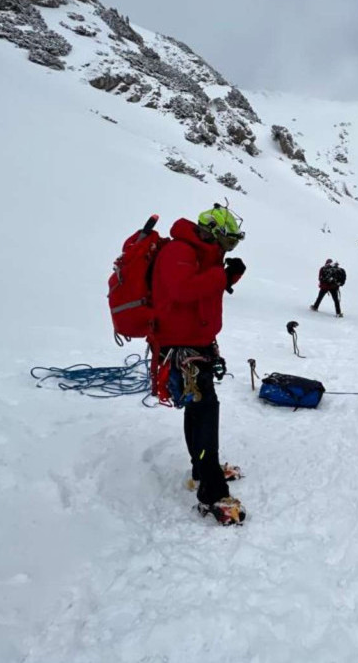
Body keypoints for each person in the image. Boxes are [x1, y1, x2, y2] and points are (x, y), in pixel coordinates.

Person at [150, 204, 248, 525]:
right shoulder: (179, 250)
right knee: (205, 412)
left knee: (199, 408)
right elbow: (182, 289)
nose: (227, 249)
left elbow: (200, 293)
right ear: (213, 234)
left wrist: (226, 276)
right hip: (181, 349)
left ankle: (200, 470)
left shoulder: (198, 255)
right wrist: (220, 274)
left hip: (197, 345)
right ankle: (212, 492)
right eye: (228, 242)